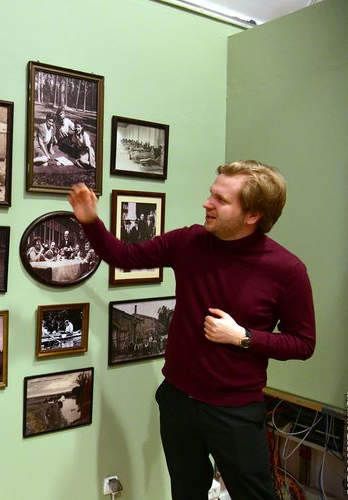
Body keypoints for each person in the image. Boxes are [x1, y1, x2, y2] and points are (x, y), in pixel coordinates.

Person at [68, 160, 315, 500]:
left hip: (235, 411)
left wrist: (243, 337)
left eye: (221, 200)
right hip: (178, 402)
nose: (207, 203)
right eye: (211, 193)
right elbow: (125, 256)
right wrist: (90, 221)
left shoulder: (287, 270)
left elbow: (302, 343)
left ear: (253, 215)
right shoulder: (189, 241)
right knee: (186, 493)